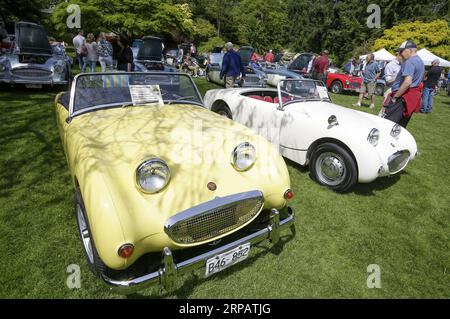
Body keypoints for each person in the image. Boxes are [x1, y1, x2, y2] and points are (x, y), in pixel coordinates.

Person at [383, 40, 425, 128]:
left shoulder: (410, 61)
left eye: (401, 51)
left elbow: (407, 82)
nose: (400, 53)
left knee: (389, 125)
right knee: (400, 127)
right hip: (409, 97)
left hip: (402, 98)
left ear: (408, 50)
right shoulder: (420, 61)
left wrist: (396, 96)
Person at [378, 51, 403, 116]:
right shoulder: (390, 65)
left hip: (398, 89)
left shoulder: (402, 65)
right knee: (385, 109)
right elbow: (388, 81)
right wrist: (399, 77)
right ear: (398, 55)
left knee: (393, 110)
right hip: (390, 90)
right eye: (403, 57)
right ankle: (379, 119)